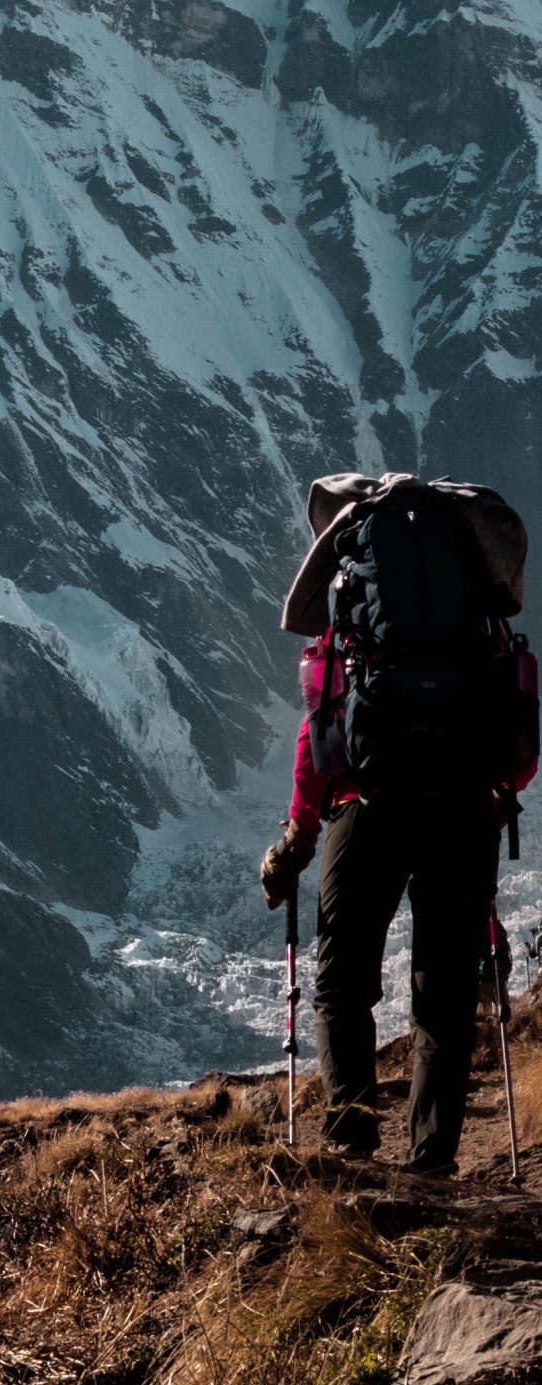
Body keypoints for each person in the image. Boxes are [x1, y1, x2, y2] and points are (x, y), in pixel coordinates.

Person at [260, 471, 538, 1173]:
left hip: (369, 804)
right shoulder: (475, 617)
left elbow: (319, 728)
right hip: (466, 807)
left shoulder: (356, 613)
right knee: (443, 988)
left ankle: (350, 1142)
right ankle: (432, 1162)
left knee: (343, 978)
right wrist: (495, 790)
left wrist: (299, 834)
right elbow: (516, 718)